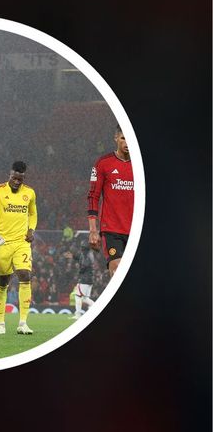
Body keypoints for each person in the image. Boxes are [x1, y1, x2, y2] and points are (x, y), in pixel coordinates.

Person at [0, 161, 38, 335]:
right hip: (1, 243)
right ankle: (0, 323)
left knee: (25, 275)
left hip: (21, 242)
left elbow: (33, 213)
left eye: (20, 180)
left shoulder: (29, 193)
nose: (16, 182)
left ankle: (23, 323)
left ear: (23, 178)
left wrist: (31, 230)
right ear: (10, 175)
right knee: (3, 282)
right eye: (14, 178)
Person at [87, 125, 134, 275]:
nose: (127, 143)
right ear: (116, 138)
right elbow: (93, 196)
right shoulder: (103, 163)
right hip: (112, 229)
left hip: (135, 228)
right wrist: (93, 230)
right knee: (118, 271)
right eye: (123, 138)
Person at [68, 244, 99, 318]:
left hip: (84, 279)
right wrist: (73, 256)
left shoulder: (86, 256)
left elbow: (84, 265)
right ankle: (97, 309)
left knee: (78, 296)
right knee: (85, 298)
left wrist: (79, 272)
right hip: (90, 279)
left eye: (82, 248)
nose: (81, 250)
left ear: (83, 249)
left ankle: (78, 314)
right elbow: (80, 258)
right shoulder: (89, 254)